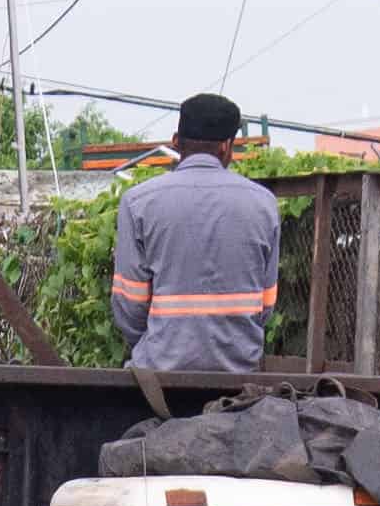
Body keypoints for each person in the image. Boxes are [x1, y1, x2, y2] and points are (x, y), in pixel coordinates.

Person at [108, 93, 283, 375]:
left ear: (176, 142)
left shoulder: (138, 202)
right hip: (238, 378)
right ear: (227, 147)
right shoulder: (264, 204)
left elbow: (130, 308)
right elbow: (265, 307)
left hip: (158, 376)